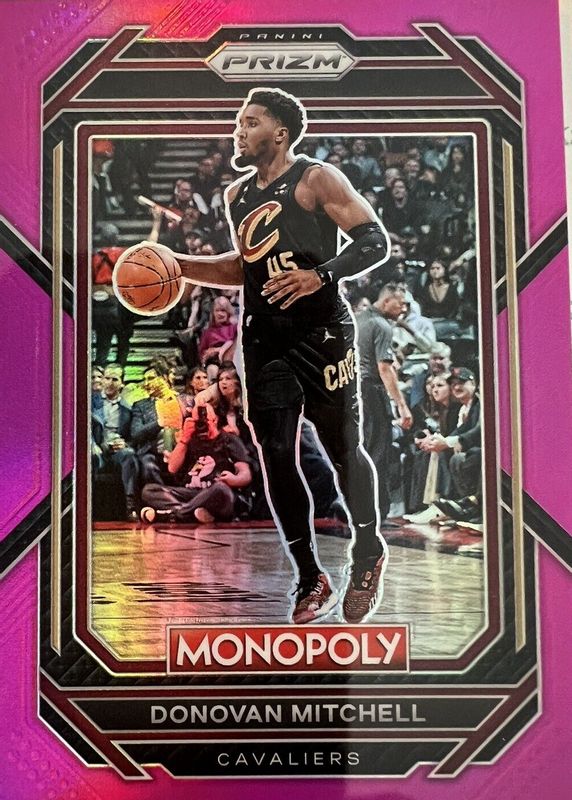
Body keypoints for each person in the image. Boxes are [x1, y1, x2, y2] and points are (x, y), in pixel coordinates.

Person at [127, 88, 396, 625]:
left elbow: (374, 242)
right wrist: (180, 264)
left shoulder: (317, 179)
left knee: (343, 449)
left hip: (321, 331)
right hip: (264, 338)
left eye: (250, 122)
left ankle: (368, 550)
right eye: (238, 122)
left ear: (280, 132)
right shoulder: (237, 195)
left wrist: (320, 275)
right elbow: (243, 266)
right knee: (275, 454)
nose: (239, 131)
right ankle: (309, 575)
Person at [355, 284, 413, 522]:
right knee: (378, 452)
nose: (404, 308)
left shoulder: (356, 320)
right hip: (371, 391)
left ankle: (358, 510)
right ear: (387, 301)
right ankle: (377, 513)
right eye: (401, 303)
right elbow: (384, 369)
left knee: (360, 451)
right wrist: (402, 406)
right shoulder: (382, 326)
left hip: (352, 392)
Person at [141, 403, 252, 524]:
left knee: (221, 489)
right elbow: (172, 468)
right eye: (197, 422)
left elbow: (246, 474)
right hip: (191, 493)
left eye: (205, 422)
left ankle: (173, 514)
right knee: (149, 490)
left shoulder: (229, 440)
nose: (201, 426)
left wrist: (234, 479)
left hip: (213, 494)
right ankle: (189, 514)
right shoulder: (190, 440)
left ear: (215, 420)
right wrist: (184, 439)